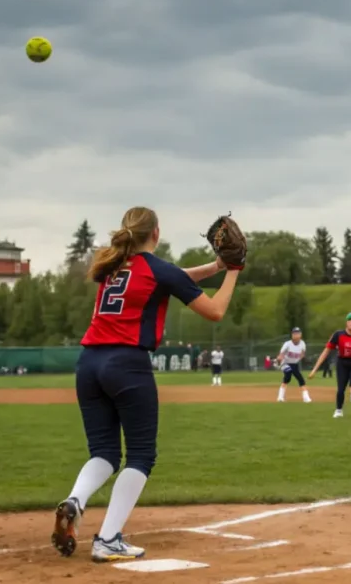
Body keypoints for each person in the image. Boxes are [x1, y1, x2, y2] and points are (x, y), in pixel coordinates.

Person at [50, 206, 244, 563]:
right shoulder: (158, 270)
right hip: (126, 364)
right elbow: (215, 310)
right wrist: (233, 271)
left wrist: (215, 267)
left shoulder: (111, 267)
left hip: (88, 364)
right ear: (156, 233)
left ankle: (75, 501)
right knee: (141, 454)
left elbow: (172, 277)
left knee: (104, 452)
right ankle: (108, 539)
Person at [308, 312, 351, 418]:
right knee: (341, 389)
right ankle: (339, 410)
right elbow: (326, 352)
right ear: (346, 322)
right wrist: (314, 370)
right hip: (342, 363)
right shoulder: (338, 335)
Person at [277, 327, 311, 403]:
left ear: (300, 335)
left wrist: (303, 359)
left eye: (298, 333)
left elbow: (302, 353)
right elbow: (281, 354)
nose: (296, 335)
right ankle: (280, 397)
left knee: (300, 379)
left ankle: (306, 397)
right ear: (292, 335)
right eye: (294, 333)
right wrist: (279, 360)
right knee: (288, 375)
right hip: (285, 363)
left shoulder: (302, 344)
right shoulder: (287, 344)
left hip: (294, 364)